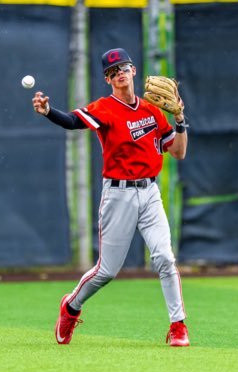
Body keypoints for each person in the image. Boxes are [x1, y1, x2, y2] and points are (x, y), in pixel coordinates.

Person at [32, 48, 189, 347]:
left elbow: (178, 152)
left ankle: (178, 325)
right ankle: (71, 306)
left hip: (150, 193)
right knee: (107, 271)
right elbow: (72, 122)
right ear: (108, 79)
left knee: (165, 258)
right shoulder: (104, 108)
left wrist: (180, 117)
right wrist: (49, 112)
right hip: (118, 195)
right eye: (112, 71)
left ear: (133, 71)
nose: (119, 73)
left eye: (123, 67)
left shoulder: (153, 110)